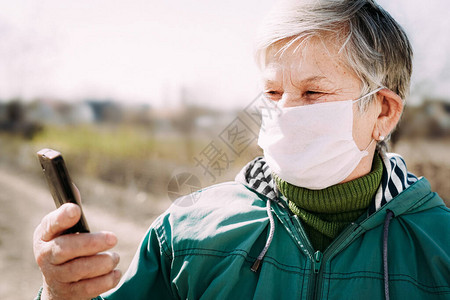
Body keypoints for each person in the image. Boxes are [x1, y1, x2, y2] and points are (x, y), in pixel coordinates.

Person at [33, 0, 449, 299]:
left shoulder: (439, 247)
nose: (283, 110)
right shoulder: (189, 232)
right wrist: (61, 295)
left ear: (384, 112)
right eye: (272, 91)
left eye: (313, 92)